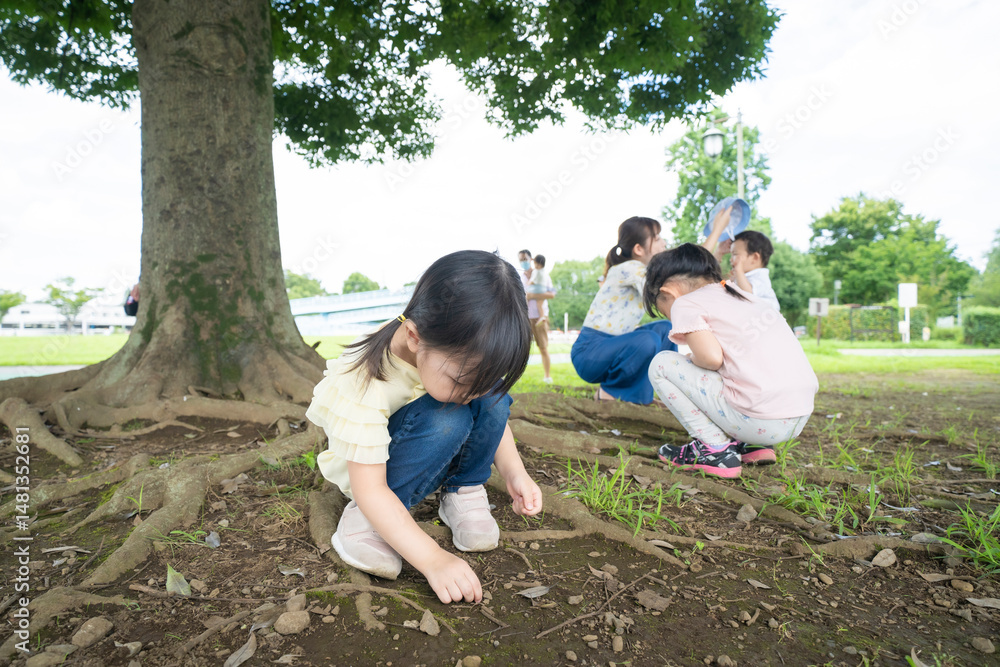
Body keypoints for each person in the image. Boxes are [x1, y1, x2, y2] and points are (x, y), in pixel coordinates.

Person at [305, 250, 543, 605]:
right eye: (460, 380)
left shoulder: (451, 361)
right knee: (450, 417)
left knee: (490, 398)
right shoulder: (364, 380)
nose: (471, 395)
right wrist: (433, 558)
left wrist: (514, 473)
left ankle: (464, 489)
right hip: (373, 484)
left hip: (430, 454)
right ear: (415, 337)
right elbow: (370, 488)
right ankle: (366, 524)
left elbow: (486, 405)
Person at [643, 243, 818, 478]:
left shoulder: (686, 302)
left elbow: (711, 359)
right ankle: (754, 446)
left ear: (669, 292)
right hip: (799, 415)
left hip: (758, 419)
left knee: (662, 364)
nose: (671, 318)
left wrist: (693, 358)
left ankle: (714, 449)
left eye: (666, 312)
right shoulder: (745, 297)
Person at [570, 211, 733, 405]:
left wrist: (720, 253)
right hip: (590, 352)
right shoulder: (629, 268)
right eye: (657, 239)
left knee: (664, 329)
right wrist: (716, 230)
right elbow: (689, 272)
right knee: (648, 339)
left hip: (612, 346)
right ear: (639, 249)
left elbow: (691, 278)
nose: (663, 243)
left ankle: (654, 392)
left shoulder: (642, 270)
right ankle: (609, 394)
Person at [517, 249, 555, 384]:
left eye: (525, 259)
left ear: (531, 259)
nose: (523, 262)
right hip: (524, 318)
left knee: (543, 347)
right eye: (520, 259)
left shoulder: (543, 275)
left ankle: (547, 376)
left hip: (540, 317)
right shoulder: (518, 278)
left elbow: (552, 294)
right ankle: (516, 377)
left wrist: (533, 296)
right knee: (520, 350)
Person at [720, 230, 780, 311]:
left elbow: (748, 295)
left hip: (768, 317)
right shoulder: (743, 276)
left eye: (735, 254)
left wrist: (739, 271)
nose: (731, 259)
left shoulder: (760, 276)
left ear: (755, 257)